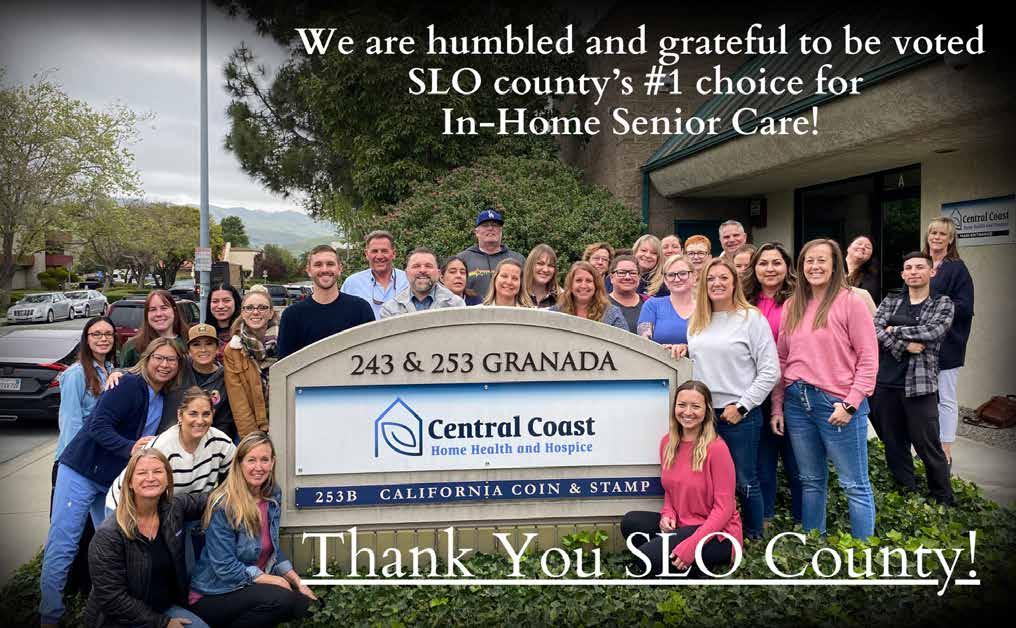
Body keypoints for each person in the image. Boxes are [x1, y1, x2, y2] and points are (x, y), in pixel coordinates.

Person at [41, 338, 183, 626]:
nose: (165, 364)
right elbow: (97, 425)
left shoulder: (163, 395)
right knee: (64, 542)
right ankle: (49, 615)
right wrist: (129, 448)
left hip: (111, 480)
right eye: (159, 357)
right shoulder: (130, 385)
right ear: (147, 358)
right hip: (82, 470)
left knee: (112, 547)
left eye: (172, 360)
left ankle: (101, 613)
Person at [771, 239, 879, 539]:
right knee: (810, 480)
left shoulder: (851, 302)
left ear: (835, 266)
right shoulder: (793, 305)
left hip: (838, 404)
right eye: (809, 261)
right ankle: (813, 546)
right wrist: (778, 406)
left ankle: (862, 552)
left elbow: (869, 359)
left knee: (854, 484)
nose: (815, 266)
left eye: (822, 260)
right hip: (797, 402)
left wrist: (851, 404)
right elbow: (782, 358)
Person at [675, 257, 779, 539]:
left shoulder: (751, 318)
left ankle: (755, 537)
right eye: (710, 279)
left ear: (735, 283)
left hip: (739, 415)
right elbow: (702, 360)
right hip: (703, 416)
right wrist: (682, 351)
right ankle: (716, 534)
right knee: (707, 481)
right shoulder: (697, 321)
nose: (717, 283)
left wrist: (742, 407)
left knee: (744, 481)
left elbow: (771, 371)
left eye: (723, 278)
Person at [188, 432, 315, 627]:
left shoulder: (272, 495)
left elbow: (272, 548)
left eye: (264, 460)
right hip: (214, 592)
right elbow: (225, 567)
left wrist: (299, 583)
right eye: (251, 460)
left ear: (272, 462)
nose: (258, 467)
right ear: (239, 464)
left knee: (306, 605)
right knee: (281, 599)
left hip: (247, 587)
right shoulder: (224, 504)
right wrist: (274, 580)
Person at [621, 380, 742, 578]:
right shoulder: (668, 443)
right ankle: (684, 565)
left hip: (717, 533)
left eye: (695, 406)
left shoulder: (717, 449)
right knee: (631, 522)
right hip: (683, 525)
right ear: (674, 407)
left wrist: (691, 546)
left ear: (707, 410)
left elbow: (724, 509)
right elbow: (671, 489)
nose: (687, 412)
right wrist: (668, 513)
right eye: (682, 405)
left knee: (646, 558)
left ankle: (689, 565)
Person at [85, 450, 210, 628]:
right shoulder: (109, 534)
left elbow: (211, 500)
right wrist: (162, 623)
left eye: (158, 471)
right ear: (129, 482)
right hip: (121, 620)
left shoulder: (172, 510)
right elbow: (112, 598)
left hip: (164, 608)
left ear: (168, 478)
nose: (150, 478)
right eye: (142, 473)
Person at [871, 252, 955, 504]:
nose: (913, 271)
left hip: (920, 385)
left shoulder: (942, 303)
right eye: (908, 268)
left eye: (919, 267)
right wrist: (905, 345)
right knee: (894, 444)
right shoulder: (892, 299)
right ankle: (907, 495)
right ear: (903, 274)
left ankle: (943, 498)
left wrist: (893, 330)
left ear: (932, 272)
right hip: (886, 383)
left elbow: (933, 331)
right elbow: (873, 329)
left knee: (928, 445)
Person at [52, 316, 117, 597]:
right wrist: (75, 464)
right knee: (66, 539)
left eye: (108, 334)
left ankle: (99, 598)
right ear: (86, 339)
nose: (103, 339)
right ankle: (53, 607)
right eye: (96, 334)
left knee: (103, 535)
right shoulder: (76, 374)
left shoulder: (110, 370)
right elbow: (70, 423)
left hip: (102, 468)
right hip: (76, 464)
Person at [742, 242, 802, 525]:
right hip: (754, 390)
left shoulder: (800, 300)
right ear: (754, 268)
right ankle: (765, 518)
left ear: (787, 267)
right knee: (762, 460)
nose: (770, 269)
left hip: (791, 387)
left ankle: (803, 522)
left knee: (796, 460)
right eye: (763, 263)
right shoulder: (744, 301)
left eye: (776, 263)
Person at [923, 217, 974, 465]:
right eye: (933, 233)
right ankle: (927, 445)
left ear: (951, 239)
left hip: (947, 344)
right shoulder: (921, 264)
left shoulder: (957, 269)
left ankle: (945, 450)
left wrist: (934, 306)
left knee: (946, 397)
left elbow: (965, 307)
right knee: (925, 398)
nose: (936, 237)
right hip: (921, 343)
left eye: (942, 234)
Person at [277, 244, 375, 358]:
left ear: (340, 269)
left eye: (330, 264)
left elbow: (373, 354)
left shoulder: (361, 309)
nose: (324, 269)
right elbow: (284, 364)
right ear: (309, 270)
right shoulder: (292, 315)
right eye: (318, 264)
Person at [225, 288, 279, 438]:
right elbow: (239, 404)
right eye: (249, 308)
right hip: (254, 428)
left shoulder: (285, 340)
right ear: (242, 313)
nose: (255, 312)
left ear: (271, 313)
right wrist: (253, 439)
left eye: (262, 308)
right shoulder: (233, 350)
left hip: (283, 422)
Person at [457, 208, 525, 298]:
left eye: (495, 225)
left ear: (501, 231)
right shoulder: (462, 259)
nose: (490, 228)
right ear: (476, 232)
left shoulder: (517, 259)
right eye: (485, 225)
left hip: (508, 307)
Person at [340, 230, 407, 320]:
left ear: (394, 254)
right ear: (366, 254)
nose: (379, 256)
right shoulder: (352, 283)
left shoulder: (407, 280)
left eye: (384, 251)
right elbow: (342, 314)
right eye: (374, 251)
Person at [380, 247, 465, 317]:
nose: (422, 270)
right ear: (406, 273)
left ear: (438, 273)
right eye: (416, 266)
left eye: (428, 266)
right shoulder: (390, 309)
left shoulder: (456, 304)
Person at [637, 255, 695, 355]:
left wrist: (687, 348)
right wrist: (660, 349)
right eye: (671, 275)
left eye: (683, 273)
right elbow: (644, 340)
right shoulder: (652, 305)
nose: (677, 279)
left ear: (694, 276)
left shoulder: (706, 306)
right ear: (665, 279)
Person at [549, 261, 628, 330]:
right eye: (578, 280)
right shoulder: (556, 312)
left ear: (596, 285)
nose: (583, 286)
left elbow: (624, 340)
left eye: (588, 281)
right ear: (570, 285)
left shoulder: (612, 314)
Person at [121, 289, 188, 367]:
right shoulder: (132, 347)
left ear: (174, 310)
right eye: (153, 309)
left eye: (164, 308)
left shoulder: (189, 342)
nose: (158, 314)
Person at [607, 255, 645, 333]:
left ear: (639, 277)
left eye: (633, 273)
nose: (628, 277)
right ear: (611, 277)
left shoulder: (650, 303)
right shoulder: (601, 304)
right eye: (621, 273)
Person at [205, 283, 242, 358]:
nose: (220, 306)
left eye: (226, 300)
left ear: (236, 302)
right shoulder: (204, 333)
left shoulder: (245, 333)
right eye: (215, 301)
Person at [525, 244, 562, 308]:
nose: (545, 270)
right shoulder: (517, 293)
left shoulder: (562, 298)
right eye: (540, 264)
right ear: (530, 265)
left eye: (550, 265)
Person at [845, 235, 880, 304]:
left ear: (870, 256)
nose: (862, 247)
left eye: (868, 247)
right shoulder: (833, 266)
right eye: (859, 243)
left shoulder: (870, 278)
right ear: (848, 248)